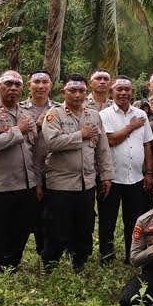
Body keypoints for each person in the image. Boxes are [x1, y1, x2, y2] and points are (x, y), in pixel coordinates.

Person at [41, 73, 113, 272]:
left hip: (87, 182)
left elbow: (103, 148)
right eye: (72, 90)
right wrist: (80, 135)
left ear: (86, 92)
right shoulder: (54, 115)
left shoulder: (93, 115)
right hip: (60, 183)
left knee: (84, 225)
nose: (77, 94)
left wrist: (106, 175)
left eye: (81, 90)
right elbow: (52, 142)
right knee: (57, 226)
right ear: (64, 91)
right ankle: (50, 265)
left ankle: (79, 261)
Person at [0, 70, 42, 274]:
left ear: (22, 89)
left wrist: (37, 181)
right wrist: (18, 130)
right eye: (8, 84)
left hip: (25, 185)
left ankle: (12, 267)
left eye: (17, 85)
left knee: (20, 230)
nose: (13, 88)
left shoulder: (26, 114)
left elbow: (34, 148)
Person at [97, 75, 153, 264]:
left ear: (132, 92)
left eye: (127, 89)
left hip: (136, 178)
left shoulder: (141, 114)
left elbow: (147, 145)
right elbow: (110, 140)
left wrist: (148, 172)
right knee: (107, 219)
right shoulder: (104, 115)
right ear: (112, 92)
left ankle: (132, 255)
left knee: (134, 220)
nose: (123, 92)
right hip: (111, 177)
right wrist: (131, 126)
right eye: (119, 89)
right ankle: (106, 255)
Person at [21, 69, 57, 253]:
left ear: (51, 85)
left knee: (51, 217)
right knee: (29, 215)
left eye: (45, 82)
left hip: (54, 172)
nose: (41, 86)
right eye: (37, 82)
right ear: (29, 85)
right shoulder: (19, 109)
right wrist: (37, 125)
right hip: (25, 171)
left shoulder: (58, 109)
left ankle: (47, 254)